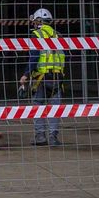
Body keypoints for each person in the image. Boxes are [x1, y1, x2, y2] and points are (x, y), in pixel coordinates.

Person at [20, 8, 66, 146]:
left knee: (38, 105)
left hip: (41, 77)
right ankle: (53, 137)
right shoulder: (58, 35)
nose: (33, 24)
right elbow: (65, 56)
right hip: (57, 77)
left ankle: (40, 136)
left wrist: (25, 75)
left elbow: (34, 57)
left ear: (39, 21)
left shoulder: (36, 35)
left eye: (34, 21)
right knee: (55, 107)